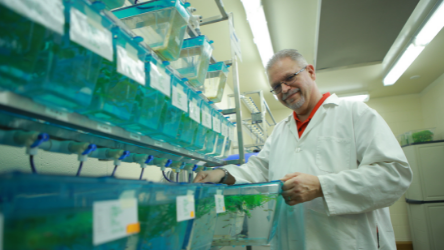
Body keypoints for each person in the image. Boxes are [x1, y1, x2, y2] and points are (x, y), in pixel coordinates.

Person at [194, 49, 413, 250]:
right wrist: (221, 174)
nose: (285, 89)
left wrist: (321, 186)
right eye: (276, 87)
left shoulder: (354, 113)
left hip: (346, 242)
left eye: (289, 78)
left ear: (310, 71)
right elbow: (259, 170)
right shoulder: (280, 131)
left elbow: (394, 174)